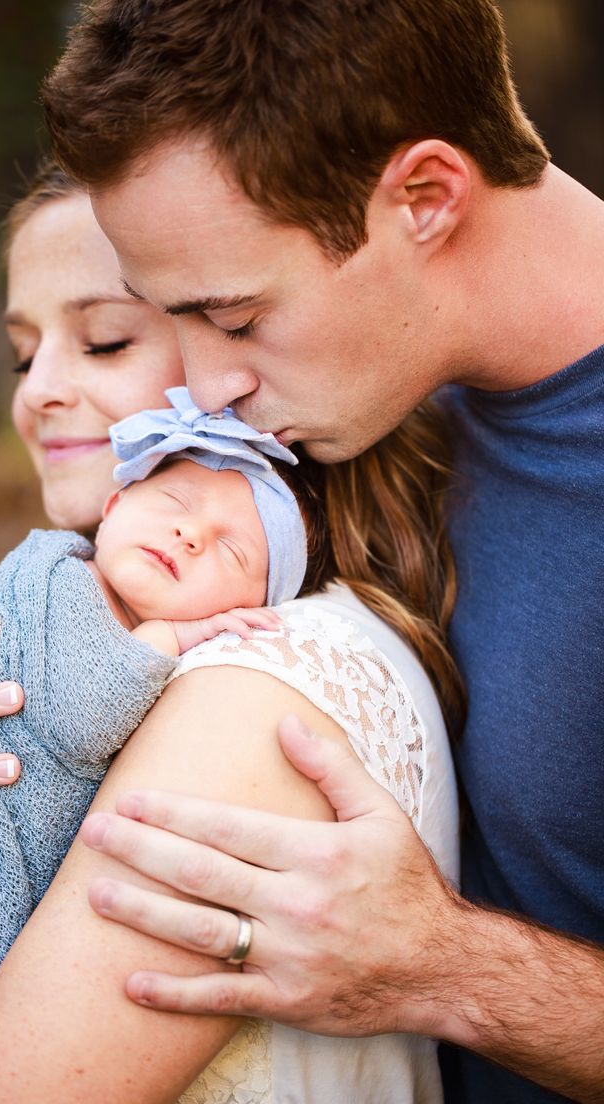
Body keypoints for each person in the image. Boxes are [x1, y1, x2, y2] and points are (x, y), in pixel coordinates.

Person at [39, 2, 604, 1103]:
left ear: (427, 199)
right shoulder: (368, 406)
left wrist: (454, 971)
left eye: (239, 319)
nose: (206, 393)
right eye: (167, 321)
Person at [0, 164, 460, 1101]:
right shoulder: (70, 625)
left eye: (105, 341)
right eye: (23, 356)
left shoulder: (250, 685)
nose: (42, 393)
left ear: (232, 343)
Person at [0, 390, 322, 1059]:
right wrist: (171, 635)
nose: (190, 535)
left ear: (253, 608)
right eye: (174, 503)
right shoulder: (59, 580)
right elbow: (83, 718)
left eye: (231, 553)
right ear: (111, 510)